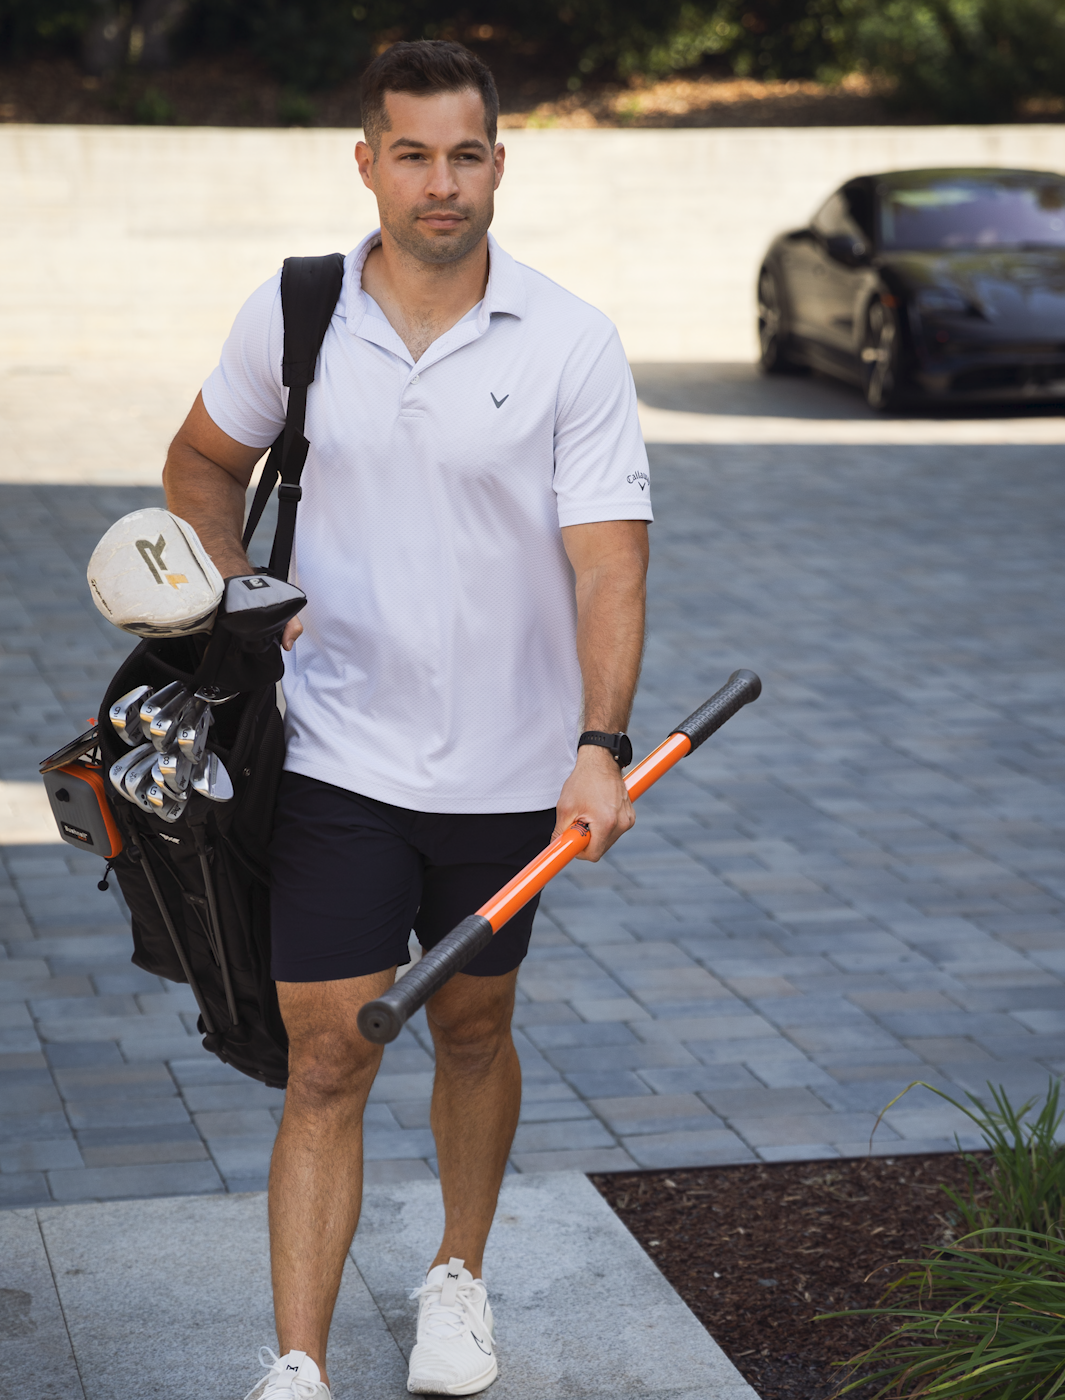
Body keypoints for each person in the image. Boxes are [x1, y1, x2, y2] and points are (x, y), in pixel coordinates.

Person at [163, 39, 651, 1400]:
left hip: (509, 773)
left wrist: (599, 747)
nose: (444, 184)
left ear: (502, 161)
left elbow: (611, 560)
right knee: (328, 1053)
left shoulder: (568, 340)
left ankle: (456, 1277)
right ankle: (300, 1362)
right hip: (334, 755)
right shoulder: (299, 313)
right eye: (416, 154)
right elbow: (202, 461)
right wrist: (242, 590)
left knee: (473, 1031)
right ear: (368, 161)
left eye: (468, 154)